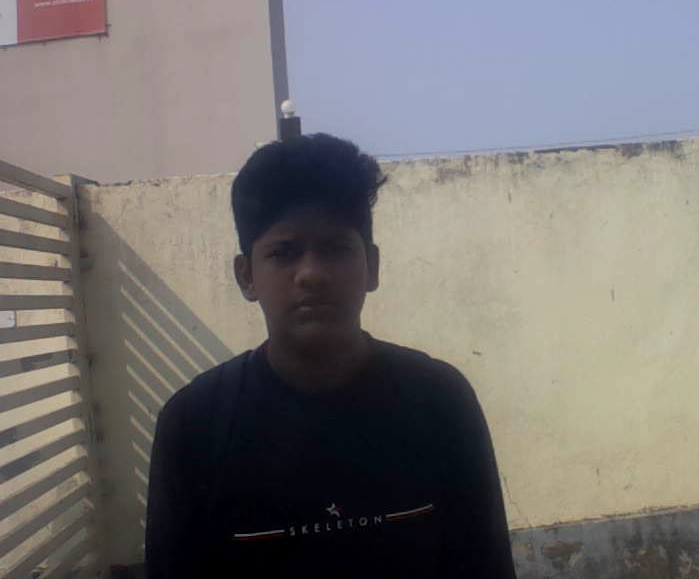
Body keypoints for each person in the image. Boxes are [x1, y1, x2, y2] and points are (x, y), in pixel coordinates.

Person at [145, 134, 516, 578]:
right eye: (284, 252)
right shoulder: (195, 425)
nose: (312, 274)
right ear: (247, 277)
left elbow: (486, 565)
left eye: (336, 248)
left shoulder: (439, 401)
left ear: (372, 267)